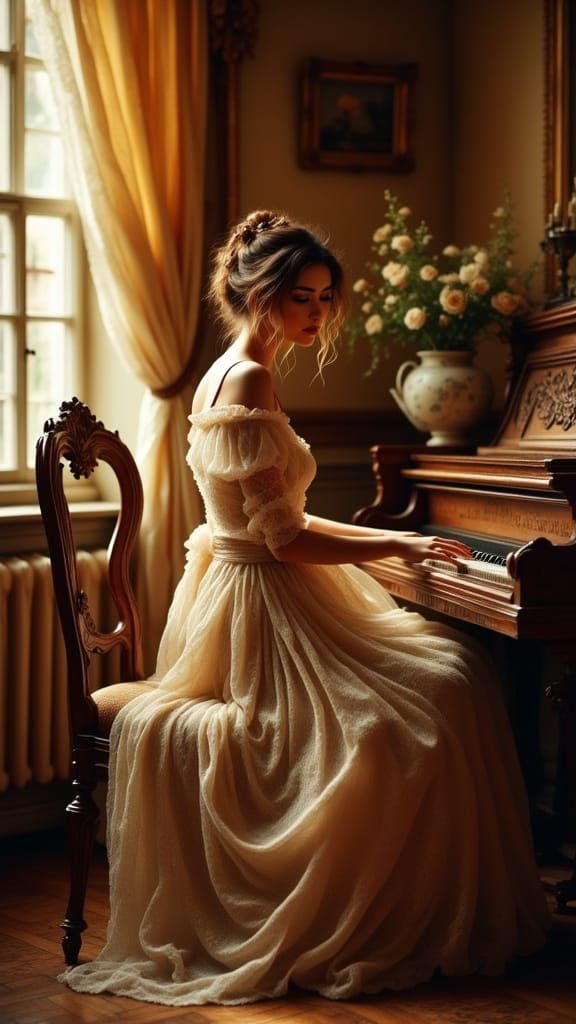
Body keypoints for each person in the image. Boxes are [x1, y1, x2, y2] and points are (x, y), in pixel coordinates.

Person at [60, 210, 550, 1006]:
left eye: (324, 298)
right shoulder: (249, 378)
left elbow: (278, 523)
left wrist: (396, 545)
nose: (318, 314)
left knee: (447, 675)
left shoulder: (235, 366)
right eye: (302, 299)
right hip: (261, 607)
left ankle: (417, 898)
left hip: (242, 583)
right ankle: (391, 915)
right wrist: (399, 547)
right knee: (436, 698)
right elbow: (285, 541)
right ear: (259, 296)